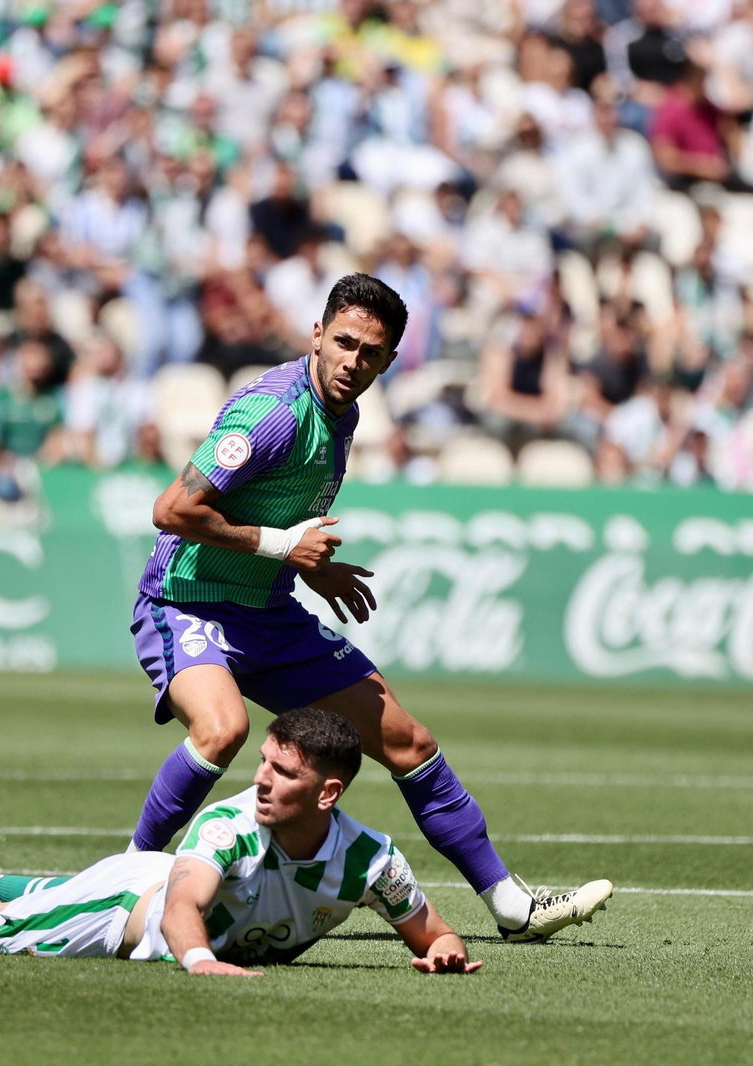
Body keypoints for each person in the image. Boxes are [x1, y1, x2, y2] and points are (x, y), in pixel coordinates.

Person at [134, 272, 613, 941]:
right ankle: (132, 876)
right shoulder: (270, 412)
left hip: (269, 612)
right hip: (189, 604)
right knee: (222, 729)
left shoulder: (345, 413)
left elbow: (283, 514)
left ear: (389, 362)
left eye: (370, 353)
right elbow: (172, 510)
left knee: (408, 741)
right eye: (344, 343)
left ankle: (510, 905)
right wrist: (282, 546)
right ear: (317, 336)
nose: (353, 362)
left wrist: (313, 572)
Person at [0, 710, 484, 976]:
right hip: (127, 910)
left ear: (328, 793)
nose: (259, 780)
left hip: (148, 883)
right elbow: (180, 909)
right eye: (262, 762)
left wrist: (445, 956)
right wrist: (199, 961)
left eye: (283, 773)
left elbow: (434, 932)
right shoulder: (227, 827)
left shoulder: (371, 861)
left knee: (28, 898)